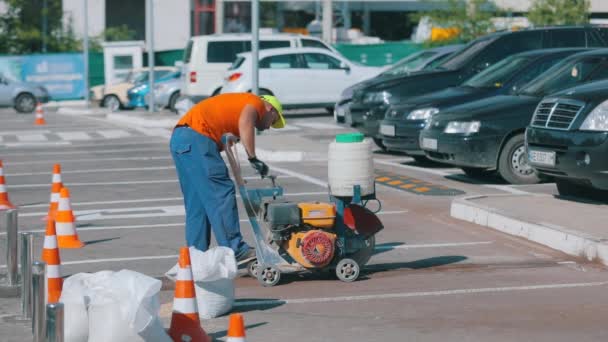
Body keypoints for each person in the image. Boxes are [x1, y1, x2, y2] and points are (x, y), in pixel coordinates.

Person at [170, 93, 285, 264]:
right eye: (273, 120)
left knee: (198, 203)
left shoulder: (236, 107)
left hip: (181, 139)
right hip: (197, 138)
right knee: (220, 193)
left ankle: (195, 256)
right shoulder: (256, 103)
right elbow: (246, 121)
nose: (269, 127)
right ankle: (235, 249)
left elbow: (229, 140)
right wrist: (253, 158)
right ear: (269, 108)